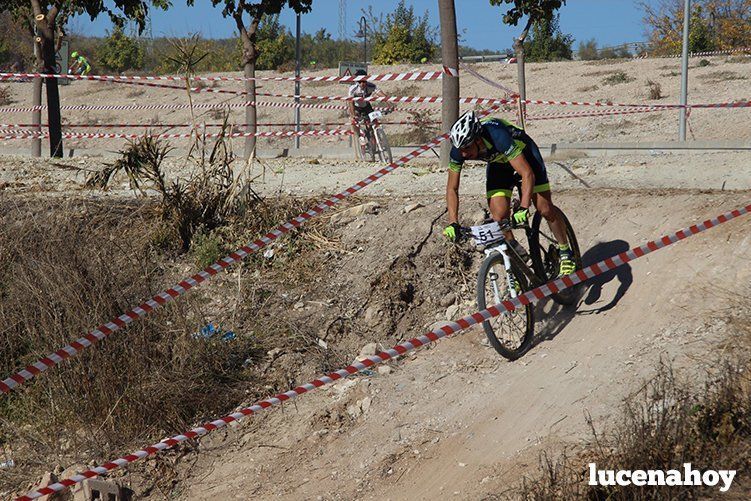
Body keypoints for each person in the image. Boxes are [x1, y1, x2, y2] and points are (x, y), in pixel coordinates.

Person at [442, 111, 576, 278]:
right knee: (499, 216)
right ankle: (516, 251)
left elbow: (527, 174)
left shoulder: (497, 135)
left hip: (526, 158)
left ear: (477, 139)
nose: (463, 154)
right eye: (460, 149)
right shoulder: (458, 151)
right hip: (499, 166)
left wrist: (524, 207)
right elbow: (452, 189)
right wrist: (453, 222)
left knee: (544, 208)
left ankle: (565, 251)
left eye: (467, 148)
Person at [347, 69, 389, 149]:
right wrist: (353, 115)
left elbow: (381, 94)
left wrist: (389, 104)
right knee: (356, 123)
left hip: (366, 106)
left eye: (364, 81)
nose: (362, 84)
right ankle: (360, 137)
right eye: (360, 82)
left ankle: (377, 136)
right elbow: (350, 102)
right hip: (356, 107)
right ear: (357, 82)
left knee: (374, 121)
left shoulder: (371, 86)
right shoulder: (353, 88)